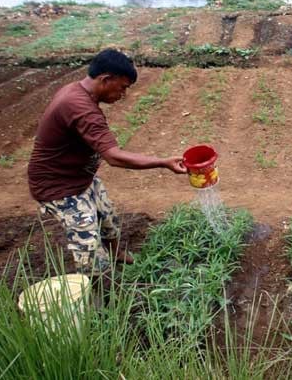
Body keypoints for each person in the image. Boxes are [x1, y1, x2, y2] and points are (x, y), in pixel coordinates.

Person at [28, 49, 186, 276]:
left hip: (79, 177)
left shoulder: (76, 91)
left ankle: (116, 254)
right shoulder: (81, 108)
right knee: (87, 240)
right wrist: (163, 162)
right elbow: (113, 156)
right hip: (57, 187)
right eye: (122, 87)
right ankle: (99, 286)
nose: (123, 94)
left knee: (107, 216)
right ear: (105, 79)